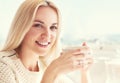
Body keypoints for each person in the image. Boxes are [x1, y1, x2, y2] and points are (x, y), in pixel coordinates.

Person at [0, 0, 93, 83]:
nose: (48, 35)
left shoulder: (44, 66)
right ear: (21, 27)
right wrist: (51, 74)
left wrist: (84, 71)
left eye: (53, 27)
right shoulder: (3, 66)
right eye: (38, 25)